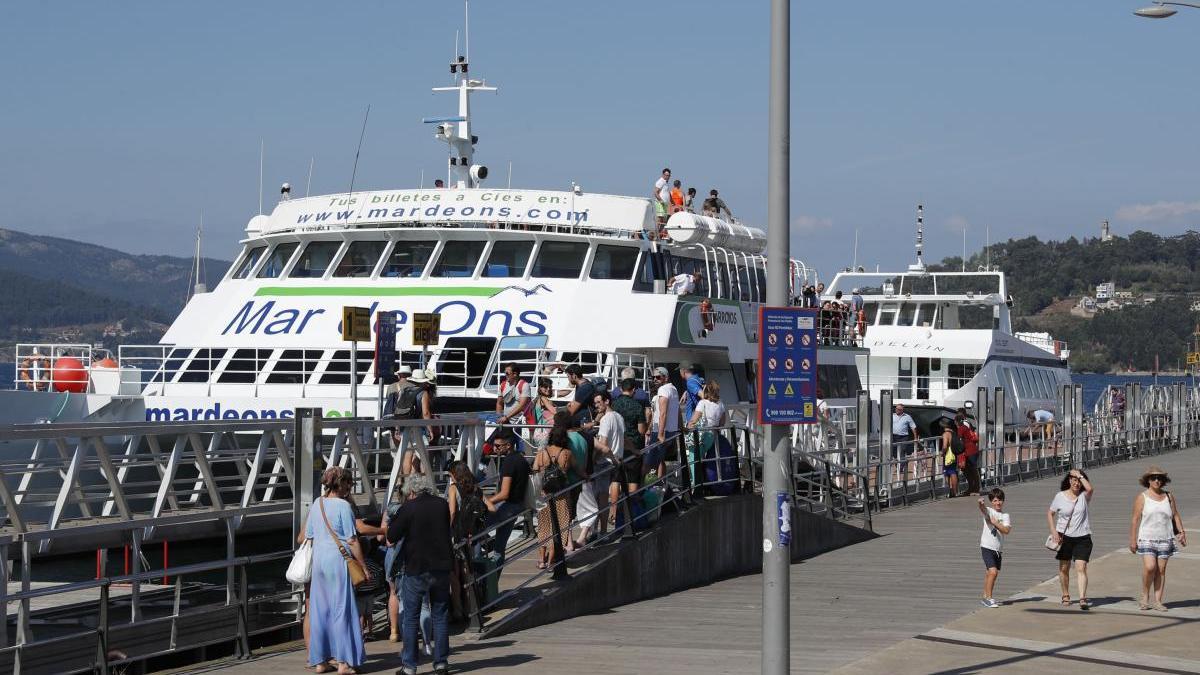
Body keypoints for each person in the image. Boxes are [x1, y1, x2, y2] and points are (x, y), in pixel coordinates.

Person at [387, 473, 453, 675]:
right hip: (442, 567)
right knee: (440, 615)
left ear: (412, 492)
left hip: (416, 568)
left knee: (411, 618)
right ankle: (441, 663)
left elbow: (391, 536)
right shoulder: (442, 504)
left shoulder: (408, 508)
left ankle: (409, 666)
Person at [306, 467, 368, 674]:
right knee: (342, 610)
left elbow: (310, 534)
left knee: (319, 611)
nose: (350, 487)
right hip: (337, 561)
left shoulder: (317, 503)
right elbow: (352, 540)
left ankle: (320, 661)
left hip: (319, 562)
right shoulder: (343, 506)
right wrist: (363, 566)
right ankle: (343, 662)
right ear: (341, 484)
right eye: (349, 483)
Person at [1129, 466, 1187, 611]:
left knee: (1161, 570)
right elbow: (1135, 519)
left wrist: (1181, 532)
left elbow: (1175, 515)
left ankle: (1158, 601)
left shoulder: (1168, 496)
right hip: (1147, 537)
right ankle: (1144, 596)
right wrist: (1133, 540)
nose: (1157, 480)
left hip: (1165, 537)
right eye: (1153, 478)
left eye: (1160, 478)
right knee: (1150, 567)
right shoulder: (1142, 497)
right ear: (1148, 480)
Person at [1047, 468, 1095, 609]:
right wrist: (1053, 531)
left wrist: (1079, 475)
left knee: (1081, 567)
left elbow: (1090, 488)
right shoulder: (1060, 496)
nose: (1077, 483)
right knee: (1064, 568)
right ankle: (1066, 594)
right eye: (1074, 480)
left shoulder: (1084, 496)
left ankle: (1082, 598)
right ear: (1069, 481)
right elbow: (1050, 513)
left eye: (1079, 481)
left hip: (1083, 537)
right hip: (1064, 536)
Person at [531, 422, 576, 567]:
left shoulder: (542, 452)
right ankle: (552, 561)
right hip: (561, 495)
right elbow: (578, 469)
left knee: (543, 526)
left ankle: (541, 560)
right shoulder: (567, 453)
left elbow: (535, 470)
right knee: (559, 527)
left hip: (544, 495)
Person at [482, 428, 528, 565]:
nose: (494, 449)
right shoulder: (521, 459)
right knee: (499, 548)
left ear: (508, 445)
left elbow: (504, 493)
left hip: (508, 506)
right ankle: (493, 580)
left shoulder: (508, 462)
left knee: (476, 531)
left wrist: (486, 500)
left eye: (497, 446)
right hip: (518, 505)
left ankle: (480, 576)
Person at [610, 378, 649, 520]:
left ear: (621, 389)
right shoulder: (637, 406)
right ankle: (629, 515)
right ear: (633, 390)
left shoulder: (614, 405)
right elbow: (641, 430)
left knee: (616, 480)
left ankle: (613, 512)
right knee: (632, 479)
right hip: (634, 447)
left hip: (617, 446)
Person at [977, 488, 1012, 608]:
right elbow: (983, 509)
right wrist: (980, 503)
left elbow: (1006, 530)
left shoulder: (1005, 515)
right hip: (987, 546)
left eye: (1000, 500)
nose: (998, 503)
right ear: (992, 501)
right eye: (995, 500)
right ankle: (989, 598)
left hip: (998, 550)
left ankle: (984, 596)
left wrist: (995, 523)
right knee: (993, 572)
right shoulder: (990, 511)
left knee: (990, 574)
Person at [646, 366, 680, 479]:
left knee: (650, 464)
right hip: (672, 431)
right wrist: (681, 426)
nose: (655, 379)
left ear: (665, 378)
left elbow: (663, 413)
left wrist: (660, 434)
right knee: (660, 461)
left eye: (658, 377)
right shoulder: (674, 389)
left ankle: (652, 488)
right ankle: (661, 485)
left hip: (661, 431)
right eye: (653, 377)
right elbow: (677, 410)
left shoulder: (663, 390)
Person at [495, 362, 533, 427]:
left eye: (507, 373)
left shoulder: (524, 385)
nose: (505, 375)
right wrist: (499, 417)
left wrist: (507, 417)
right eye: (505, 373)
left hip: (521, 423)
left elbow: (522, 406)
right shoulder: (503, 385)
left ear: (515, 374)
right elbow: (499, 403)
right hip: (506, 422)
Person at [957, 408, 981, 496]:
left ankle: (975, 488)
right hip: (970, 450)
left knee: (972, 469)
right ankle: (972, 488)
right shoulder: (966, 424)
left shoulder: (963, 425)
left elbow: (960, 439)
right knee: (967, 469)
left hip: (969, 450)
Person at [531, 377, 558, 450]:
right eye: (545, 387)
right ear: (540, 388)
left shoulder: (538, 399)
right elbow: (555, 412)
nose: (548, 389)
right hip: (544, 433)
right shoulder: (543, 399)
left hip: (540, 432)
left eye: (550, 387)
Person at [940, 419, 960, 498]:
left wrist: (942, 452)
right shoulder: (954, 432)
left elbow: (945, 446)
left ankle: (951, 491)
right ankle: (955, 491)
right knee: (953, 472)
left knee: (948, 473)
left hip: (948, 455)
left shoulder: (946, 434)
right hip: (955, 454)